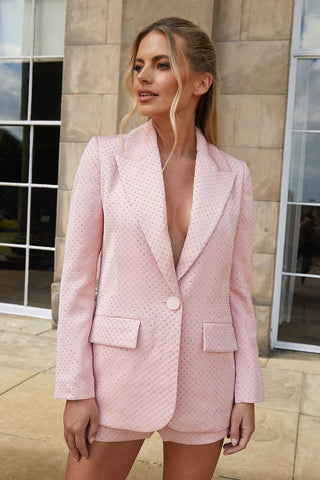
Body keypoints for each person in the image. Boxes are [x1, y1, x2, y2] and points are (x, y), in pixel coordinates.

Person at [55, 16, 264, 480]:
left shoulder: (234, 176)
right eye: (138, 65)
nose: (142, 77)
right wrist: (76, 387)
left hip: (205, 380)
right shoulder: (105, 157)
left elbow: (237, 293)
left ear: (201, 82)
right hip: (114, 377)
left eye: (161, 64)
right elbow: (76, 284)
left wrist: (246, 390)